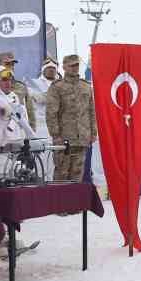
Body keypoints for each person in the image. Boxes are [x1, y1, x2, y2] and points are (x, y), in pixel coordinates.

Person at [46, 54, 96, 187]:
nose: (75, 68)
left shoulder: (86, 86)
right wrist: (55, 135)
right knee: (62, 173)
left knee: (77, 173)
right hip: (64, 138)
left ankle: (74, 205)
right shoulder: (57, 87)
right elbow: (51, 113)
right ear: (64, 67)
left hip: (82, 137)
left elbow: (91, 111)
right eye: (72, 65)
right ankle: (58, 204)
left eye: (77, 65)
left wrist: (93, 132)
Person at [0, 65, 34, 180]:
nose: (8, 83)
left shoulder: (15, 100)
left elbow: (24, 126)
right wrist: (5, 104)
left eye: (10, 80)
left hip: (14, 157)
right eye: (4, 80)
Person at [23, 57, 56, 139]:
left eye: (53, 68)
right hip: (41, 127)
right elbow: (39, 98)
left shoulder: (61, 83)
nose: (51, 70)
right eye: (49, 68)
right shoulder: (33, 82)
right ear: (43, 70)